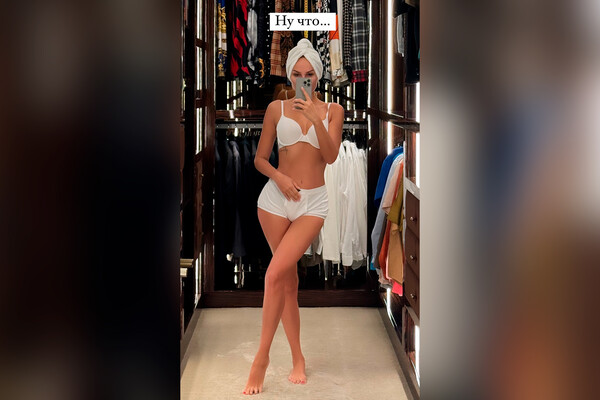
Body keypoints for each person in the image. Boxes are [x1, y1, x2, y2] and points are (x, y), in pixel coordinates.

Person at [243, 39, 344, 395]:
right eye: (298, 74)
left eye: (310, 74)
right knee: (287, 281)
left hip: (312, 205)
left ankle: (261, 357)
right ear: (290, 75)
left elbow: (331, 157)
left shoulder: (333, 110)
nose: (305, 80)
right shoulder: (276, 109)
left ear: (319, 76)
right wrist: (279, 177)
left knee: (274, 274)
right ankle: (297, 357)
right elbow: (260, 159)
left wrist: (316, 119)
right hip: (274, 202)